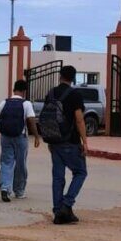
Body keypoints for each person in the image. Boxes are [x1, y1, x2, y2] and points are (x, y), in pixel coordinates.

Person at [37, 65, 89, 225]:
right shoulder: (75, 95)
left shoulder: (51, 93)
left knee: (58, 177)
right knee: (80, 172)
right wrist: (85, 141)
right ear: (73, 78)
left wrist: (49, 138)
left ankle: (58, 212)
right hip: (70, 141)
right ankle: (66, 205)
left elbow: (46, 117)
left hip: (54, 141)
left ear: (60, 76)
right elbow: (79, 119)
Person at [0, 79, 39, 202]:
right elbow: (31, 120)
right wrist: (36, 136)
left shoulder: (4, 102)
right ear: (24, 91)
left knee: (6, 162)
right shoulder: (26, 104)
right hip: (20, 137)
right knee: (20, 164)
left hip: (5, 137)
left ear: (14, 89)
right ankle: (19, 191)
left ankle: (5, 188)